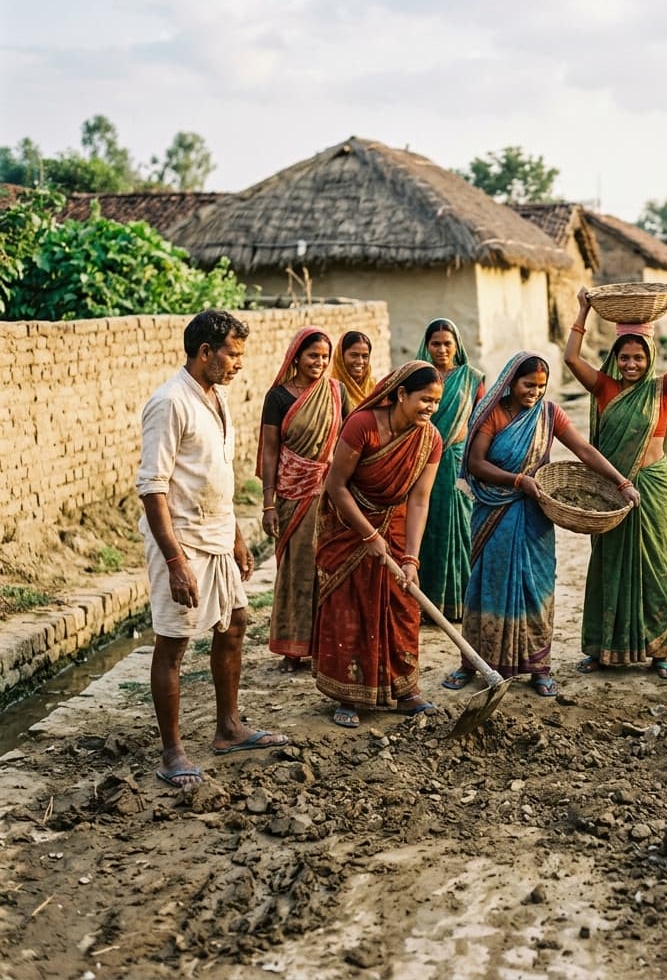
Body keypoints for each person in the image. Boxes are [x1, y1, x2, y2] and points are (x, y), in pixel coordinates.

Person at [137, 310, 289, 790]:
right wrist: (175, 561)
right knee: (174, 642)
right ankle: (173, 752)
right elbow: (152, 488)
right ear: (205, 352)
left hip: (219, 535)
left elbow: (216, 476)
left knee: (236, 623)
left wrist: (238, 537)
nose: (239, 364)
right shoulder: (168, 403)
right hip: (182, 540)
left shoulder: (217, 396)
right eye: (234, 354)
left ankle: (228, 728)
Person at [441, 352, 639, 696]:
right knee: (488, 585)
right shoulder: (493, 415)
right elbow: (475, 463)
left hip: (535, 515)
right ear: (511, 382)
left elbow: (584, 450)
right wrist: (517, 481)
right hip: (495, 510)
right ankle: (471, 662)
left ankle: (538, 667)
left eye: (540, 386)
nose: (534, 391)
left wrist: (621, 482)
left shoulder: (548, 414)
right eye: (527, 384)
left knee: (536, 588)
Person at [565, 284, 667, 678]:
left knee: (655, 566)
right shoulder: (604, 388)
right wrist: (582, 311)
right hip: (612, 491)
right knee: (607, 564)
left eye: (639, 357)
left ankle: (659, 650)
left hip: (652, 487)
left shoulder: (662, 390)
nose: (631, 364)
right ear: (615, 358)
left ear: (650, 357)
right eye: (624, 357)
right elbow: (571, 357)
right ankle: (600, 648)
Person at [312, 361, 443, 728]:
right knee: (350, 606)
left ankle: (404, 689)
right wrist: (368, 535)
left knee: (402, 602)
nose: (431, 408)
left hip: (398, 524)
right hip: (349, 524)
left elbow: (419, 500)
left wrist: (412, 558)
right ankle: (347, 694)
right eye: (424, 399)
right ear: (401, 394)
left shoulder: (430, 439)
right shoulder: (363, 425)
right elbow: (336, 486)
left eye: (436, 402)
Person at [258, 328, 343, 672]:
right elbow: (270, 451)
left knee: (328, 566)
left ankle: (323, 645)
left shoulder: (334, 393)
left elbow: (345, 442)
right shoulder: (277, 397)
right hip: (293, 493)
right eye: (312, 356)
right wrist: (267, 504)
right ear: (296, 357)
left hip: (329, 493)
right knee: (297, 569)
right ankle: (293, 648)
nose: (319, 363)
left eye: (324, 357)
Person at [415, 319, 485, 620]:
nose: (442, 349)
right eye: (435, 344)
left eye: (447, 343)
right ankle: (426, 605)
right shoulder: (418, 378)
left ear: (457, 345)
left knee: (461, 530)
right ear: (427, 346)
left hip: (457, 463)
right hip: (421, 463)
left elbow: (480, 424)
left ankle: (459, 602)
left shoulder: (472, 379)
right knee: (426, 529)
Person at [331, 330, 376, 413]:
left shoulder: (375, 389)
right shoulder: (331, 391)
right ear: (340, 357)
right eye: (354, 355)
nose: (360, 361)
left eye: (365, 356)